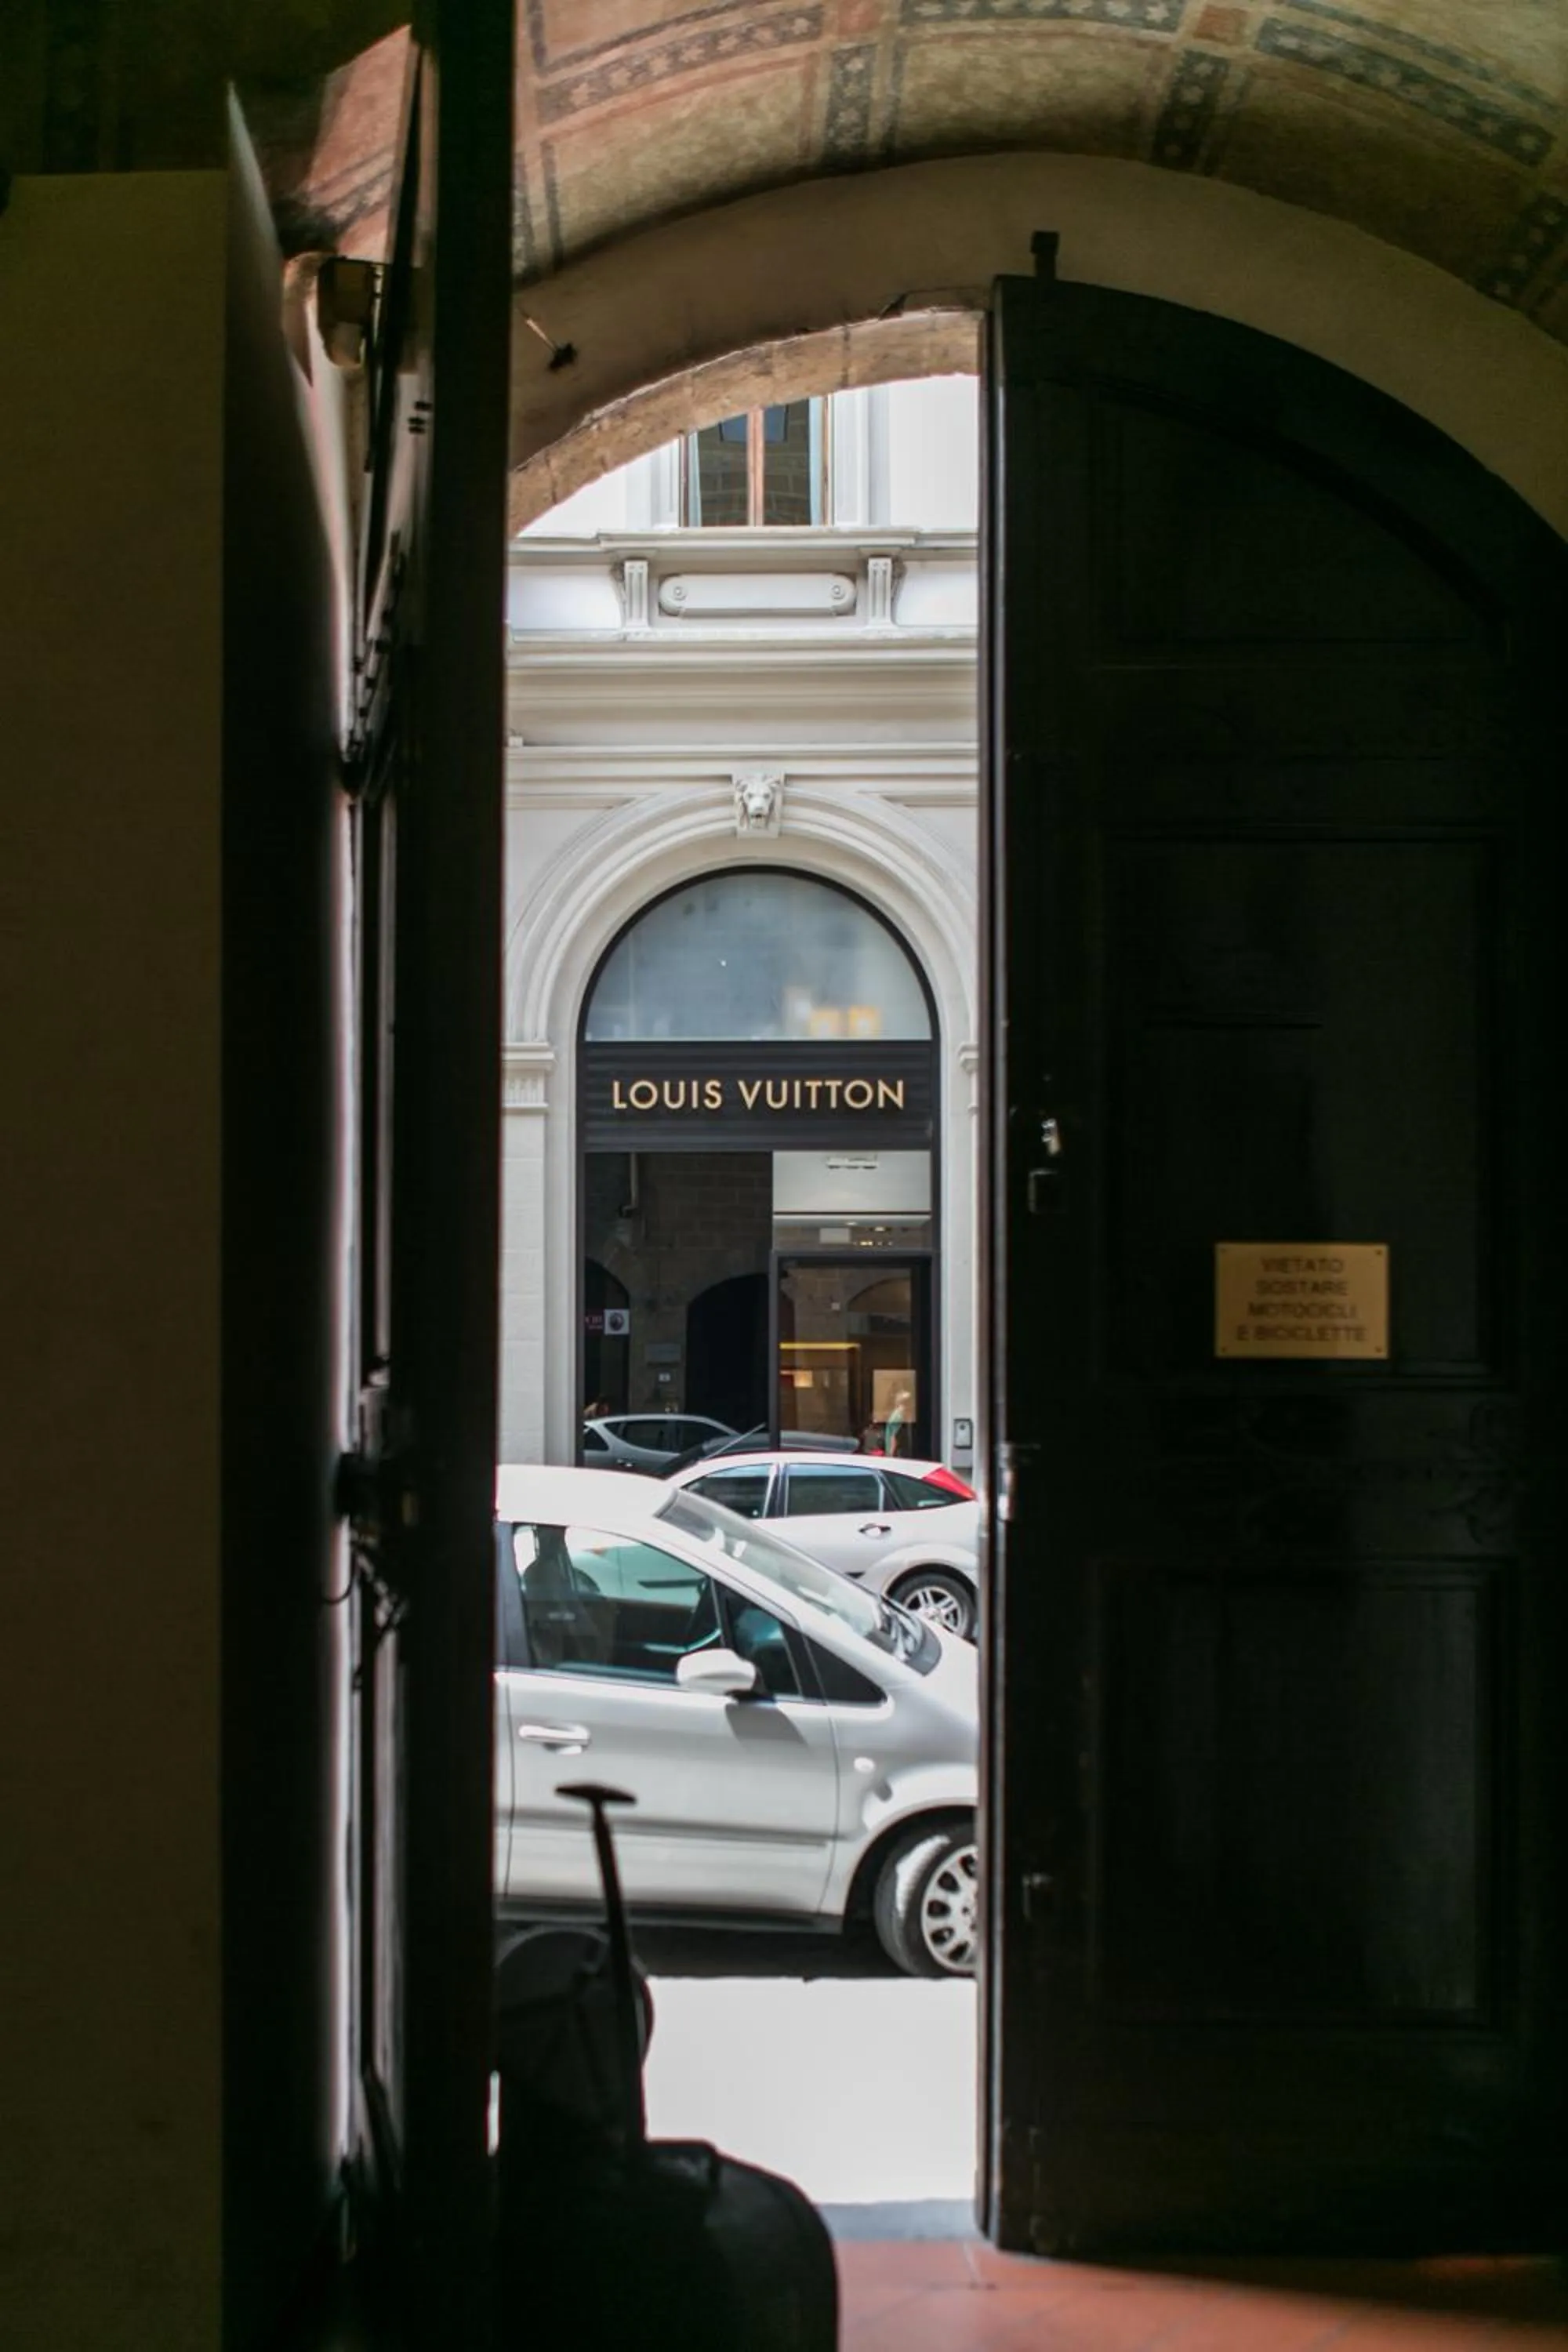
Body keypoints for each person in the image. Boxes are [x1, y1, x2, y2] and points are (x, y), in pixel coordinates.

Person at [883, 1388, 913, 1458]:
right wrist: (891, 1455)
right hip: (898, 1454)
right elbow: (894, 1437)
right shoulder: (898, 1416)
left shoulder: (901, 1415)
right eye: (908, 1402)